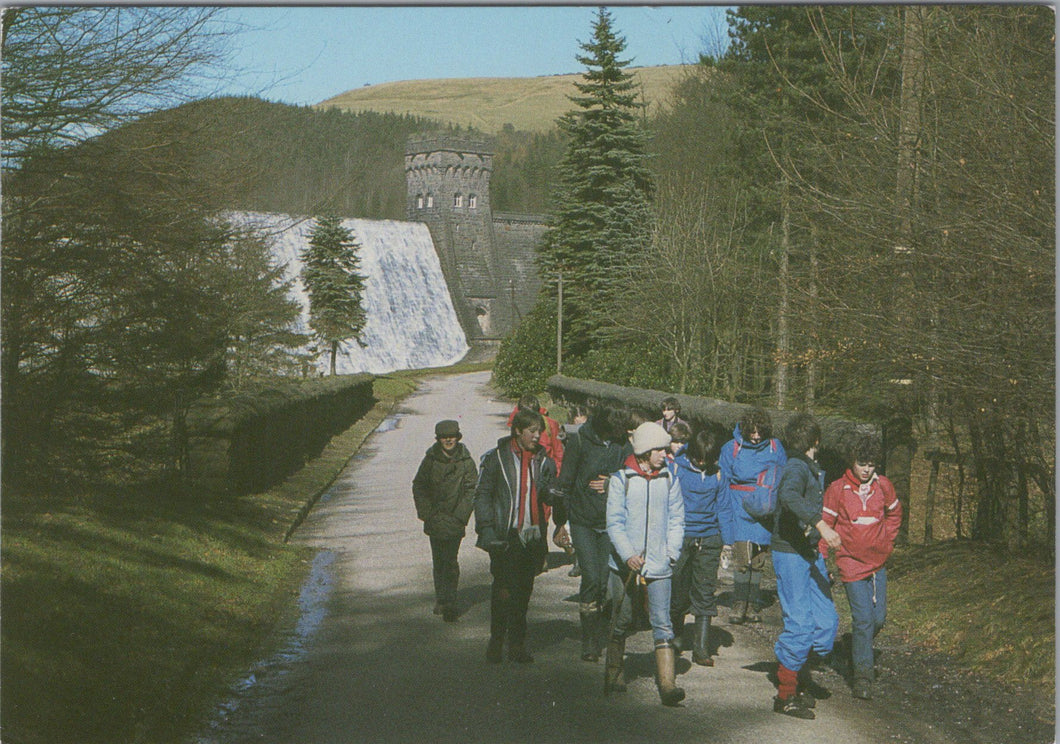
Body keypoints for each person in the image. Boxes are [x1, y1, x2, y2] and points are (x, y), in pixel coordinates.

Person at [605, 422, 686, 706]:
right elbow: (614, 523)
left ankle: (667, 684)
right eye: (659, 449)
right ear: (643, 451)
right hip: (626, 565)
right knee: (623, 619)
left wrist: (671, 553)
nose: (665, 454)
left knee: (663, 623)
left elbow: (677, 520)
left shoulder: (670, 479)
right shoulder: (621, 479)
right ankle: (614, 672)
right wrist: (627, 554)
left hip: (660, 564)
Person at [475, 408, 563, 664]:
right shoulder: (497, 459)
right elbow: (482, 495)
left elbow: (545, 494)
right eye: (532, 432)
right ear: (517, 431)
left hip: (532, 535)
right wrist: (487, 529)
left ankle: (517, 645)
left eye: (539, 432)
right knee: (503, 590)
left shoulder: (543, 461)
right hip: (505, 534)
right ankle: (496, 640)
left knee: (524, 592)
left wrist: (554, 497)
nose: (537, 437)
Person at [821, 433, 902, 700]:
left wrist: (887, 541)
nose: (867, 469)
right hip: (850, 563)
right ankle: (863, 677)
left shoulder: (884, 486)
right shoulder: (837, 489)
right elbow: (826, 525)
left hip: (878, 562)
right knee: (864, 619)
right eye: (862, 463)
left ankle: (854, 644)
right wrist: (822, 558)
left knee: (878, 619)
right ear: (851, 462)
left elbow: (895, 513)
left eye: (871, 464)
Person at [771, 413, 841, 720]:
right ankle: (785, 694)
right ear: (816, 440)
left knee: (826, 623)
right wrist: (820, 525)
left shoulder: (811, 468)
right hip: (789, 552)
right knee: (800, 623)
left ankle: (799, 674)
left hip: (810, 552)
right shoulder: (796, 467)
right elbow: (787, 497)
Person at [554, 401, 631, 661]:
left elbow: (632, 473)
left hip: (611, 521)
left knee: (605, 583)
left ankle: (601, 630)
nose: (616, 435)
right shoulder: (580, 441)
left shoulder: (622, 444)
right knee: (592, 579)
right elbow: (565, 480)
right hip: (583, 520)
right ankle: (590, 640)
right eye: (612, 431)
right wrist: (560, 522)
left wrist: (613, 482)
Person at [718, 406, 787, 624]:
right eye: (752, 432)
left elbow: (783, 475)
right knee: (742, 557)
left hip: (764, 506)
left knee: (758, 558)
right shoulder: (731, 448)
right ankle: (739, 602)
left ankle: (754, 601)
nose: (756, 437)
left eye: (760, 433)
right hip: (738, 504)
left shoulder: (775, 448)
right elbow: (724, 478)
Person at [670, 422, 728, 667]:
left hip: (709, 538)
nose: (701, 463)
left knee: (704, 592)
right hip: (681, 536)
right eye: (698, 458)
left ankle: (702, 648)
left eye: (706, 460)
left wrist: (727, 542)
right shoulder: (676, 469)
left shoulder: (718, 474)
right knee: (678, 591)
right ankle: (674, 641)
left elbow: (724, 508)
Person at [412, 420, 478, 622]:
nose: (448, 440)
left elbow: (472, 489)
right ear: (438, 439)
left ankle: (450, 602)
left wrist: (460, 515)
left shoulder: (466, 461)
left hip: (455, 519)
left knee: (450, 560)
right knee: (438, 560)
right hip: (434, 518)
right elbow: (419, 486)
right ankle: (441, 597)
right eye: (444, 437)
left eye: (452, 436)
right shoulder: (430, 460)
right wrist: (427, 513)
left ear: (458, 437)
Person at [508, 394, 564, 474]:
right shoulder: (517, 425)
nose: (537, 435)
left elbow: (558, 454)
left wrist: (554, 475)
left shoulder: (551, 424)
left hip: (544, 471)